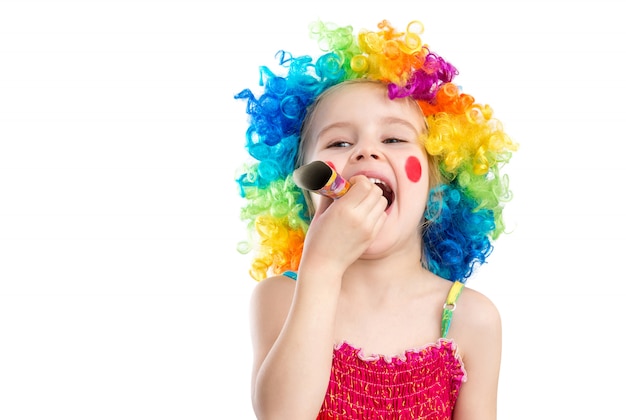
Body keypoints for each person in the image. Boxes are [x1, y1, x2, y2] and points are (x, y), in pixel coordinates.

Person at [234, 18, 517, 419]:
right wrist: (324, 264)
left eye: (394, 139)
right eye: (339, 142)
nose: (366, 152)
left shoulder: (470, 319)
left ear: (438, 190)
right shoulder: (281, 298)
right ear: (306, 187)